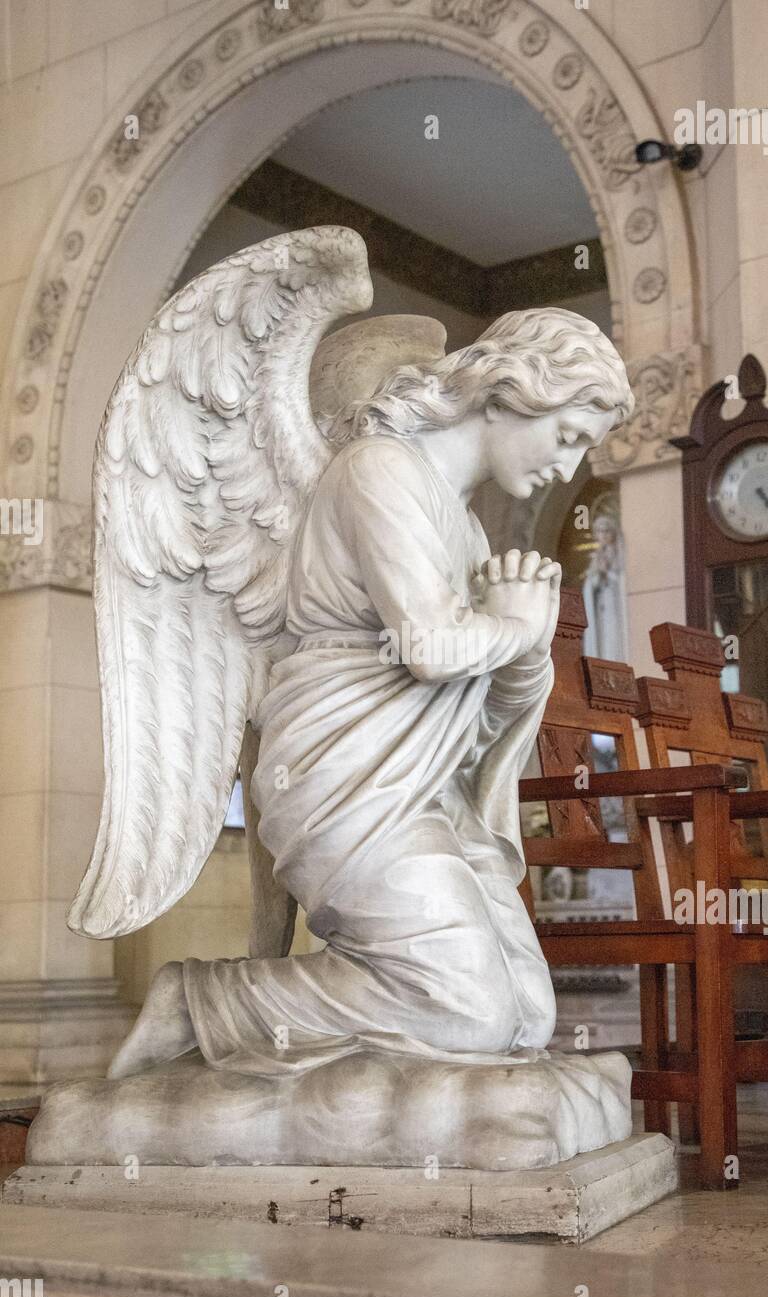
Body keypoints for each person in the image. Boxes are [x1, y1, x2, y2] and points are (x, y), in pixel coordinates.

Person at [108, 308, 633, 1080]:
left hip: (426, 786)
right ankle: (205, 1000)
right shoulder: (376, 470)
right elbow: (429, 648)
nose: (570, 465)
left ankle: (290, 1024)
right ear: (505, 394)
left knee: (525, 1012)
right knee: (470, 1012)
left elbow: (484, 710)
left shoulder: (470, 533)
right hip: (341, 771)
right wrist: (513, 628)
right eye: (566, 436)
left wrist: (525, 650)